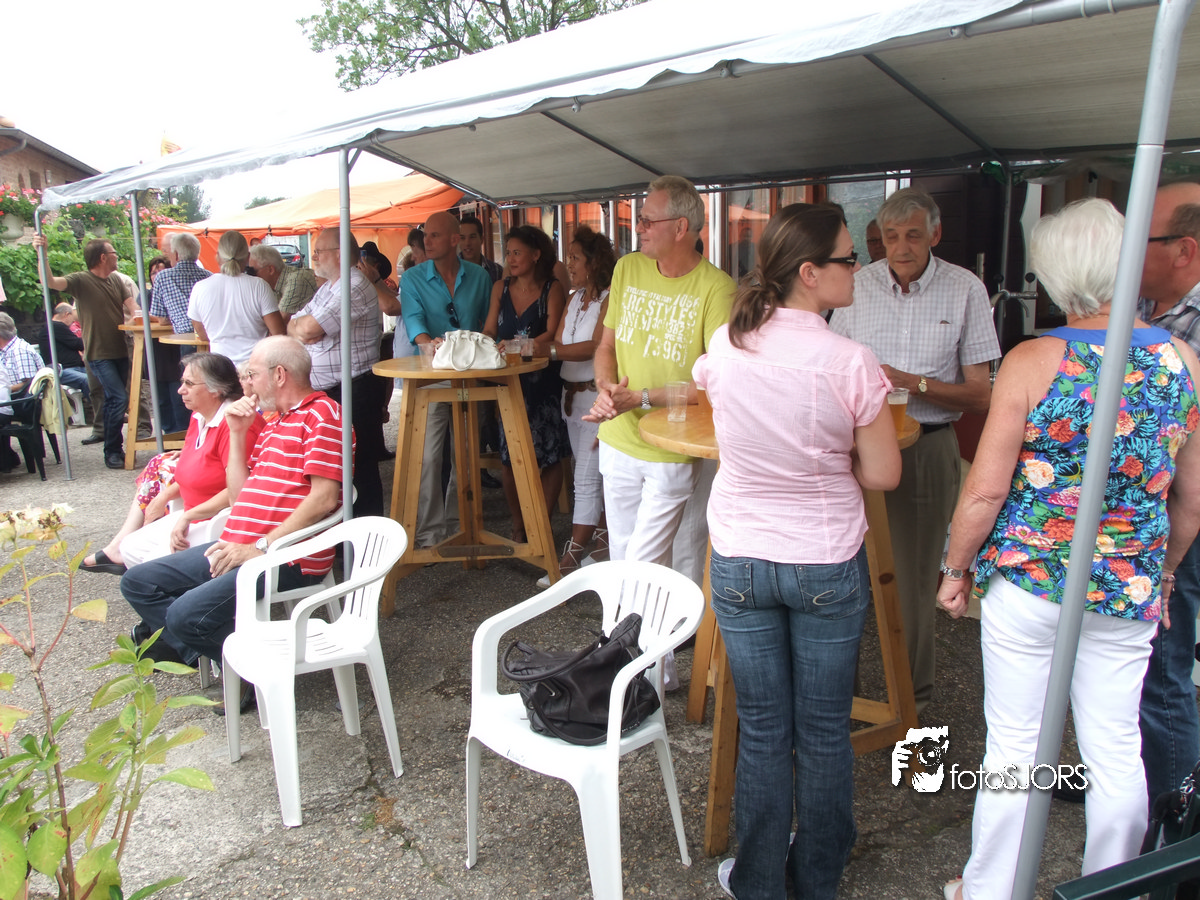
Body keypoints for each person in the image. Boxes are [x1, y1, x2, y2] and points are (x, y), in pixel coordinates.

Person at [936, 198, 1200, 900]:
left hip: (1030, 582)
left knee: (1016, 746)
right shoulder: (1183, 361)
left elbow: (985, 491)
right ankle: (1111, 889)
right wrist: (1165, 572)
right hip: (1129, 586)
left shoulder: (1034, 360)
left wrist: (956, 568)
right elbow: (1192, 498)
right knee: (1115, 745)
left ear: (1054, 275)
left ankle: (991, 890)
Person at [694, 203, 901, 900]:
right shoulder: (849, 361)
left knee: (761, 727)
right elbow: (883, 473)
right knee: (822, 731)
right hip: (823, 555)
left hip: (741, 555)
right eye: (849, 258)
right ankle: (815, 879)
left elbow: (712, 395)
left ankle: (756, 881)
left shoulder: (727, 343)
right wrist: (832, 458)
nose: (859, 268)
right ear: (810, 273)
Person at [829, 187, 1000, 711]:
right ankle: (839, 700)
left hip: (925, 446)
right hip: (856, 450)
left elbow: (981, 394)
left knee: (912, 581)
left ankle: (912, 704)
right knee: (841, 574)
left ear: (935, 235)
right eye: (891, 236)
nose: (901, 247)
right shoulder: (857, 285)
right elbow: (829, 368)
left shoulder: (965, 288)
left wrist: (912, 382)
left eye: (913, 235)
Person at [120, 336, 344, 669]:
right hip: (238, 544)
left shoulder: (322, 415)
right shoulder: (274, 422)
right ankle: (224, 661)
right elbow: (239, 499)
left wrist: (261, 546)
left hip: (288, 556)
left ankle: (250, 672)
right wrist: (237, 434)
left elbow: (324, 498)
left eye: (251, 375)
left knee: (184, 616)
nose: (246, 384)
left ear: (279, 375)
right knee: (138, 582)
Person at [586, 175, 735, 575]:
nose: (638, 227)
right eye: (640, 219)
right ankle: (624, 617)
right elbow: (605, 347)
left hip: (676, 444)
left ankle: (657, 619)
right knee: (622, 553)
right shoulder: (628, 268)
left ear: (681, 227)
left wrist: (640, 398)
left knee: (665, 558)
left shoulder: (717, 289)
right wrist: (606, 389)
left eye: (648, 221)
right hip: (619, 437)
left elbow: (714, 385)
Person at [80, 353, 263, 573]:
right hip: (194, 512)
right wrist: (164, 496)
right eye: (182, 382)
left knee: (149, 568)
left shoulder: (236, 422)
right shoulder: (200, 416)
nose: (180, 390)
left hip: (219, 519)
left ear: (216, 390)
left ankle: (173, 591)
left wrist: (188, 516)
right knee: (128, 548)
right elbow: (193, 472)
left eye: (189, 384)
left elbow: (242, 489)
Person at [1137, 179, 1200, 817]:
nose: (1131, 251)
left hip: (1182, 522)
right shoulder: (1148, 312)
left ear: (1184, 249)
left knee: (1161, 671)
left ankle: (1174, 828)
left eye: (1144, 238)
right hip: (1148, 520)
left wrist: (1172, 559)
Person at [399, 210, 492, 547]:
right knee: (427, 456)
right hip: (431, 377)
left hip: (471, 374)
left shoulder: (479, 276)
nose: (427, 241)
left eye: (435, 235)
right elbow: (415, 324)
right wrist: (431, 345)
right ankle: (428, 531)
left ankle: (459, 525)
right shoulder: (412, 278)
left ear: (455, 240)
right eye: (425, 235)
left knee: (465, 454)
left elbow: (487, 324)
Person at [288, 229, 385, 517]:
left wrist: (306, 330)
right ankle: (343, 534)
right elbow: (293, 323)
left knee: (358, 468)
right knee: (336, 467)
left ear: (340, 253)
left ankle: (364, 537)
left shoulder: (353, 284)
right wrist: (304, 329)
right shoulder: (331, 287)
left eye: (319, 251)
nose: (314, 256)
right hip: (335, 390)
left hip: (354, 390)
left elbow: (306, 328)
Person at [536, 225, 613, 585]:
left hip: (594, 396)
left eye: (576, 258)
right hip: (571, 396)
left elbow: (595, 346)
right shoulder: (574, 297)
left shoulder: (609, 299)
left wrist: (546, 350)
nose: (569, 264)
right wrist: (542, 347)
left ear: (594, 262)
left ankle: (572, 556)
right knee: (588, 474)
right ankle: (601, 545)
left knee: (585, 478)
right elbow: (558, 340)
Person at [483, 225, 569, 542]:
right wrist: (481, 344)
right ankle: (519, 525)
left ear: (535, 255)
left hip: (543, 381)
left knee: (550, 455)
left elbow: (553, 333)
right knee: (509, 457)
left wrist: (521, 346)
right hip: (509, 382)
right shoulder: (500, 288)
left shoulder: (552, 288)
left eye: (517, 252)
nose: (511, 258)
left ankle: (540, 526)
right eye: (508, 253)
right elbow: (489, 329)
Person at [31, 234, 136, 469]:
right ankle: (112, 450)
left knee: (115, 399)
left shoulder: (116, 280)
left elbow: (133, 306)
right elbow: (49, 281)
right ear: (103, 257)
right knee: (118, 398)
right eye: (114, 253)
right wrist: (42, 253)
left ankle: (113, 447)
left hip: (120, 350)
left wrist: (140, 317)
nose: (117, 256)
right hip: (98, 354)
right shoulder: (81, 280)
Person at [187, 230, 284, 364]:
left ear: (217, 256)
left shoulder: (200, 288)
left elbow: (202, 334)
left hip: (220, 366)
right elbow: (279, 333)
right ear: (248, 257)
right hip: (255, 365)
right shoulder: (259, 286)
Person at [0, 312, 47, 471]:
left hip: (25, 403)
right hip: (14, 400)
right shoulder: (8, 349)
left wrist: (4, 388)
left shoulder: (19, 350)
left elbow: (28, 384)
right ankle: (8, 457)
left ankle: (7, 459)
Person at [249, 243, 318, 324]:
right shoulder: (272, 286)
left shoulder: (296, 280)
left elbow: (277, 324)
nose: (250, 276)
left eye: (253, 272)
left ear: (270, 270)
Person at [42, 302, 90, 401]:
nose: (73, 321)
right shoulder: (56, 326)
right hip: (62, 370)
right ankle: (99, 407)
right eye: (72, 317)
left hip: (72, 368)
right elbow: (78, 344)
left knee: (100, 376)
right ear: (67, 314)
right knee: (89, 380)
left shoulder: (52, 327)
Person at [460, 214, 503, 283]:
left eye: (472, 237)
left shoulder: (496, 271)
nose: (467, 243)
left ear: (481, 239)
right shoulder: (450, 271)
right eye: (462, 238)